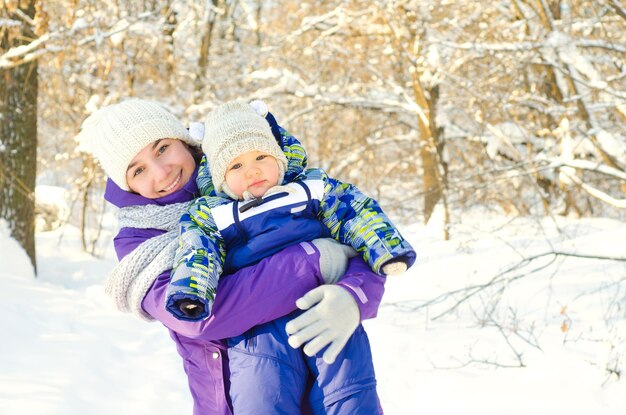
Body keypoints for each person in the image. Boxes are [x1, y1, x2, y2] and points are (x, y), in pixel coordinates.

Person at [78, 98, 387, 415]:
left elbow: (360, 234)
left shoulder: (247, 166)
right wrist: (312, 262)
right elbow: (200, 317)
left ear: (184, 140)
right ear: (126, 184)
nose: (161, 171)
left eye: (162, 149)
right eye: (139, 169)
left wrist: (354, 294)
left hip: (336, 385)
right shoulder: (140, 243)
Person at [166, 100, 416, 413]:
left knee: (349, 389)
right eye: (236, 165)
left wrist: (386, 248)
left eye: (260, 156)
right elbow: (197, 249)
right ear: (219, 176)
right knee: (261, 395)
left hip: (324, 307)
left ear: (279, 156)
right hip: (258, 331)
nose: (252, 169)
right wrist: (191, 290)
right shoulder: (213, 214)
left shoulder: (310, 188)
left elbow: (353, 210)